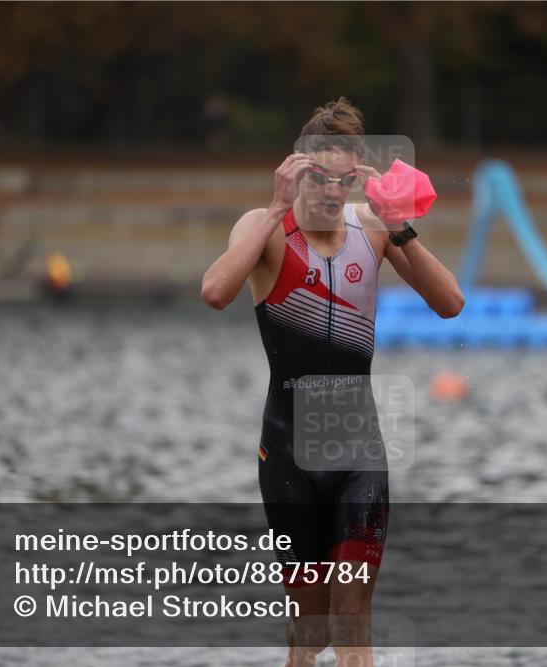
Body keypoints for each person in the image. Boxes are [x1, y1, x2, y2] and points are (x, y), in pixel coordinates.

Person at [201, 97, 463, 667]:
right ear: (295, 171)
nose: (330, 190)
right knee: (308, 628)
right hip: (288, 453)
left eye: (344, 180)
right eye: (318, 176)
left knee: (352, 625)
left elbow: (451, 304)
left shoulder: (373, 231)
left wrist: (403, 229)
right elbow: (216, 292)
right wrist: (274, 208)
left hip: (358, 452)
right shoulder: (263, 227)